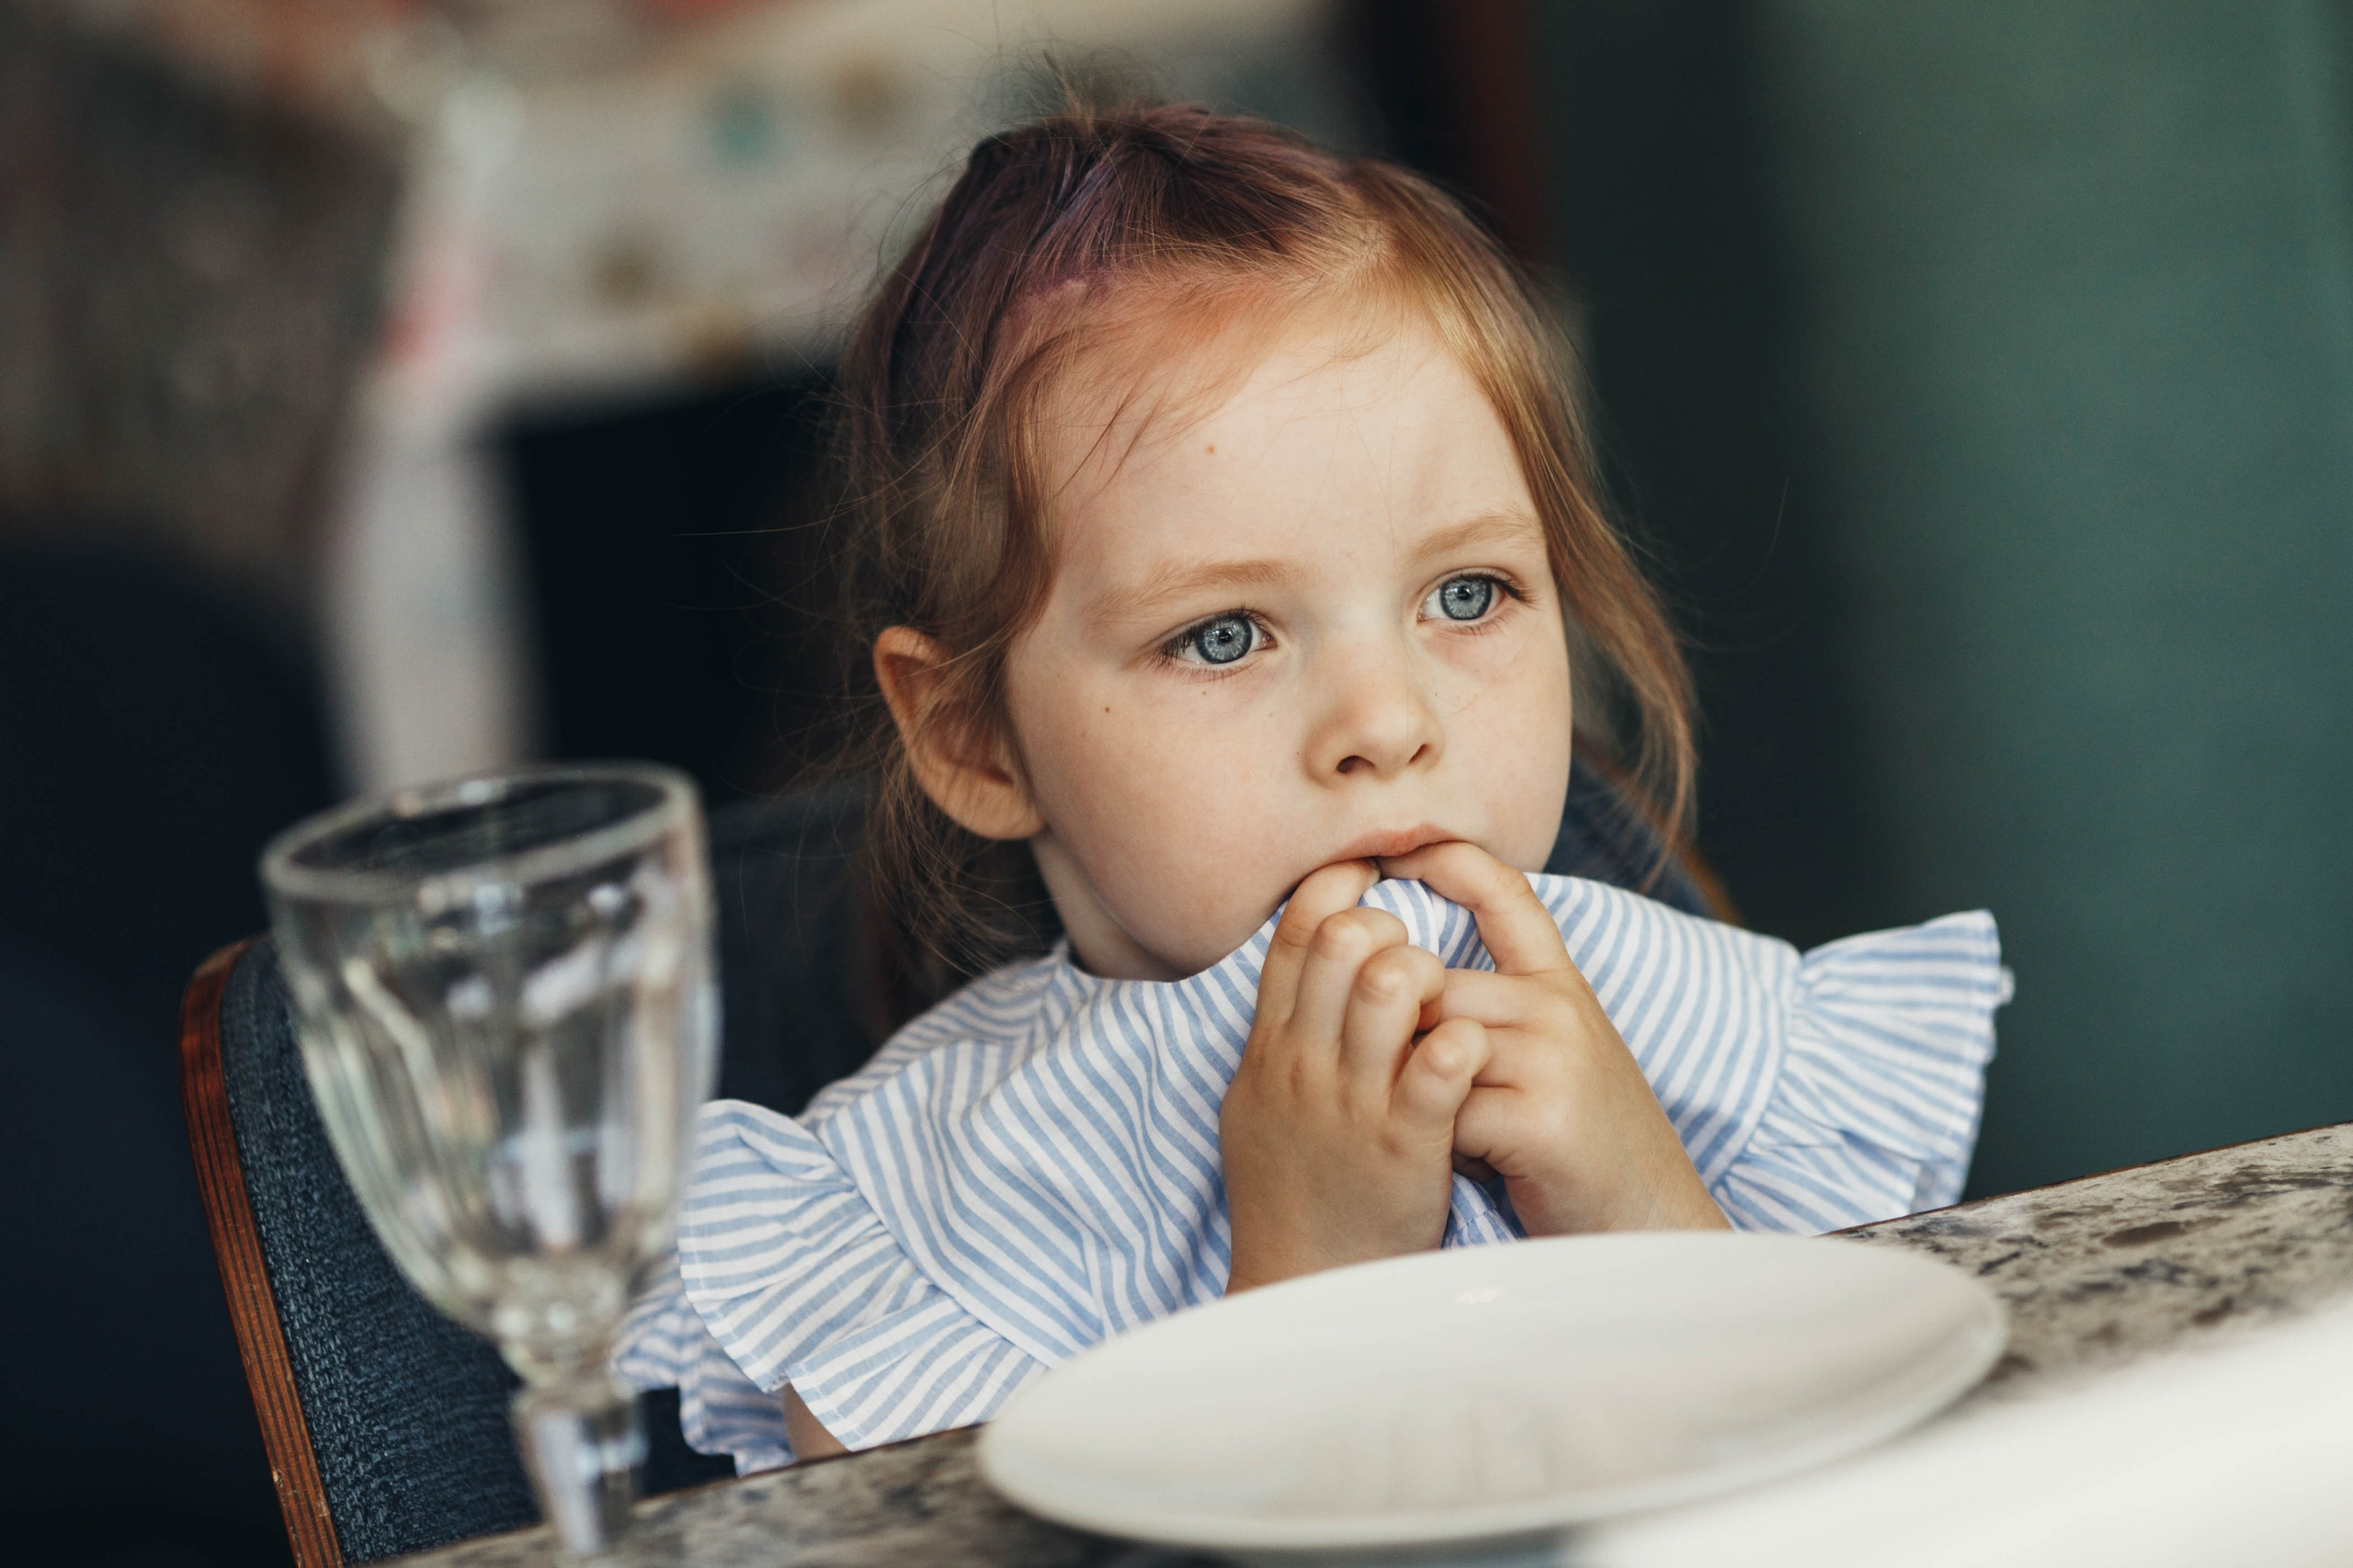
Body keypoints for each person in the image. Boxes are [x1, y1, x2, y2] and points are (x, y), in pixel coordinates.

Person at [615, 100, 2008, 1471]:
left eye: (1468, 593)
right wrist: (1305, 1282)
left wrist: (1642, 1198)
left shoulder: (1680, 1015)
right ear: (975, 737)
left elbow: (1862, 1481)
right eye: (1223, 635)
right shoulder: (909, 1216)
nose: (1388, 723)